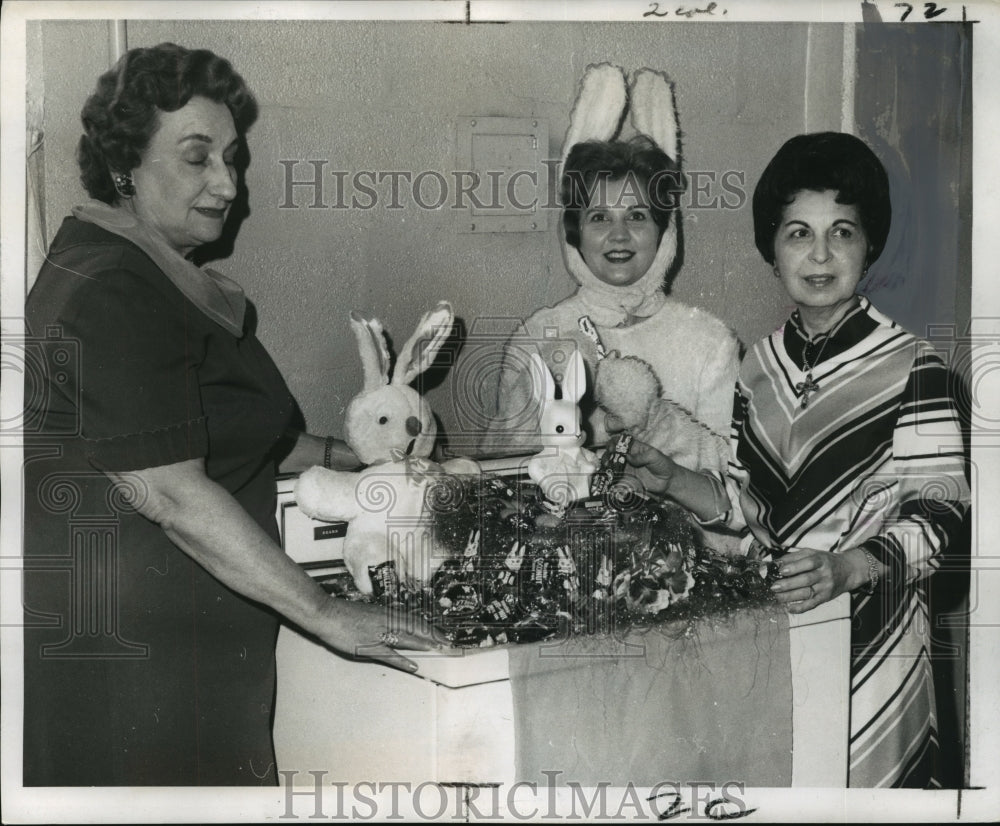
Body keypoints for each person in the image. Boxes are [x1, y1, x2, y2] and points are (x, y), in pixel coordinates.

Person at [21, 43, 438, 787]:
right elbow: (171, 492)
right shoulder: (113, 291)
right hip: (138, 671)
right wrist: (325, 612)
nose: (228, 183)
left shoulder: (152, 277)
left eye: (232, 158)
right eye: (197, 158)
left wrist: (361, 458)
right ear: (124, 166)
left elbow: (233, 435)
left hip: (192, 653)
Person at [624, 131, 970, 788]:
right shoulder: (756, 367)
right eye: (798, 233)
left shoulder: (913, 366)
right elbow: (744, 510)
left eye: (842, 232)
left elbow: (941, 515)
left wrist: (848, 567)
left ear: (869, 244)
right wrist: (675, 481)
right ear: (772, 248)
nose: (820, 254)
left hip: (877, 643)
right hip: (775, 637)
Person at [483, 136, 740, 462]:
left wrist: (653, 419)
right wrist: (551, 378)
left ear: (662, 231)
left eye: (636, 216)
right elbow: (499, 464)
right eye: (600, 217)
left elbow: (730, 474)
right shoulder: (537, 334)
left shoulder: (712, 342)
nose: (619, 235)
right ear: (576, 233)